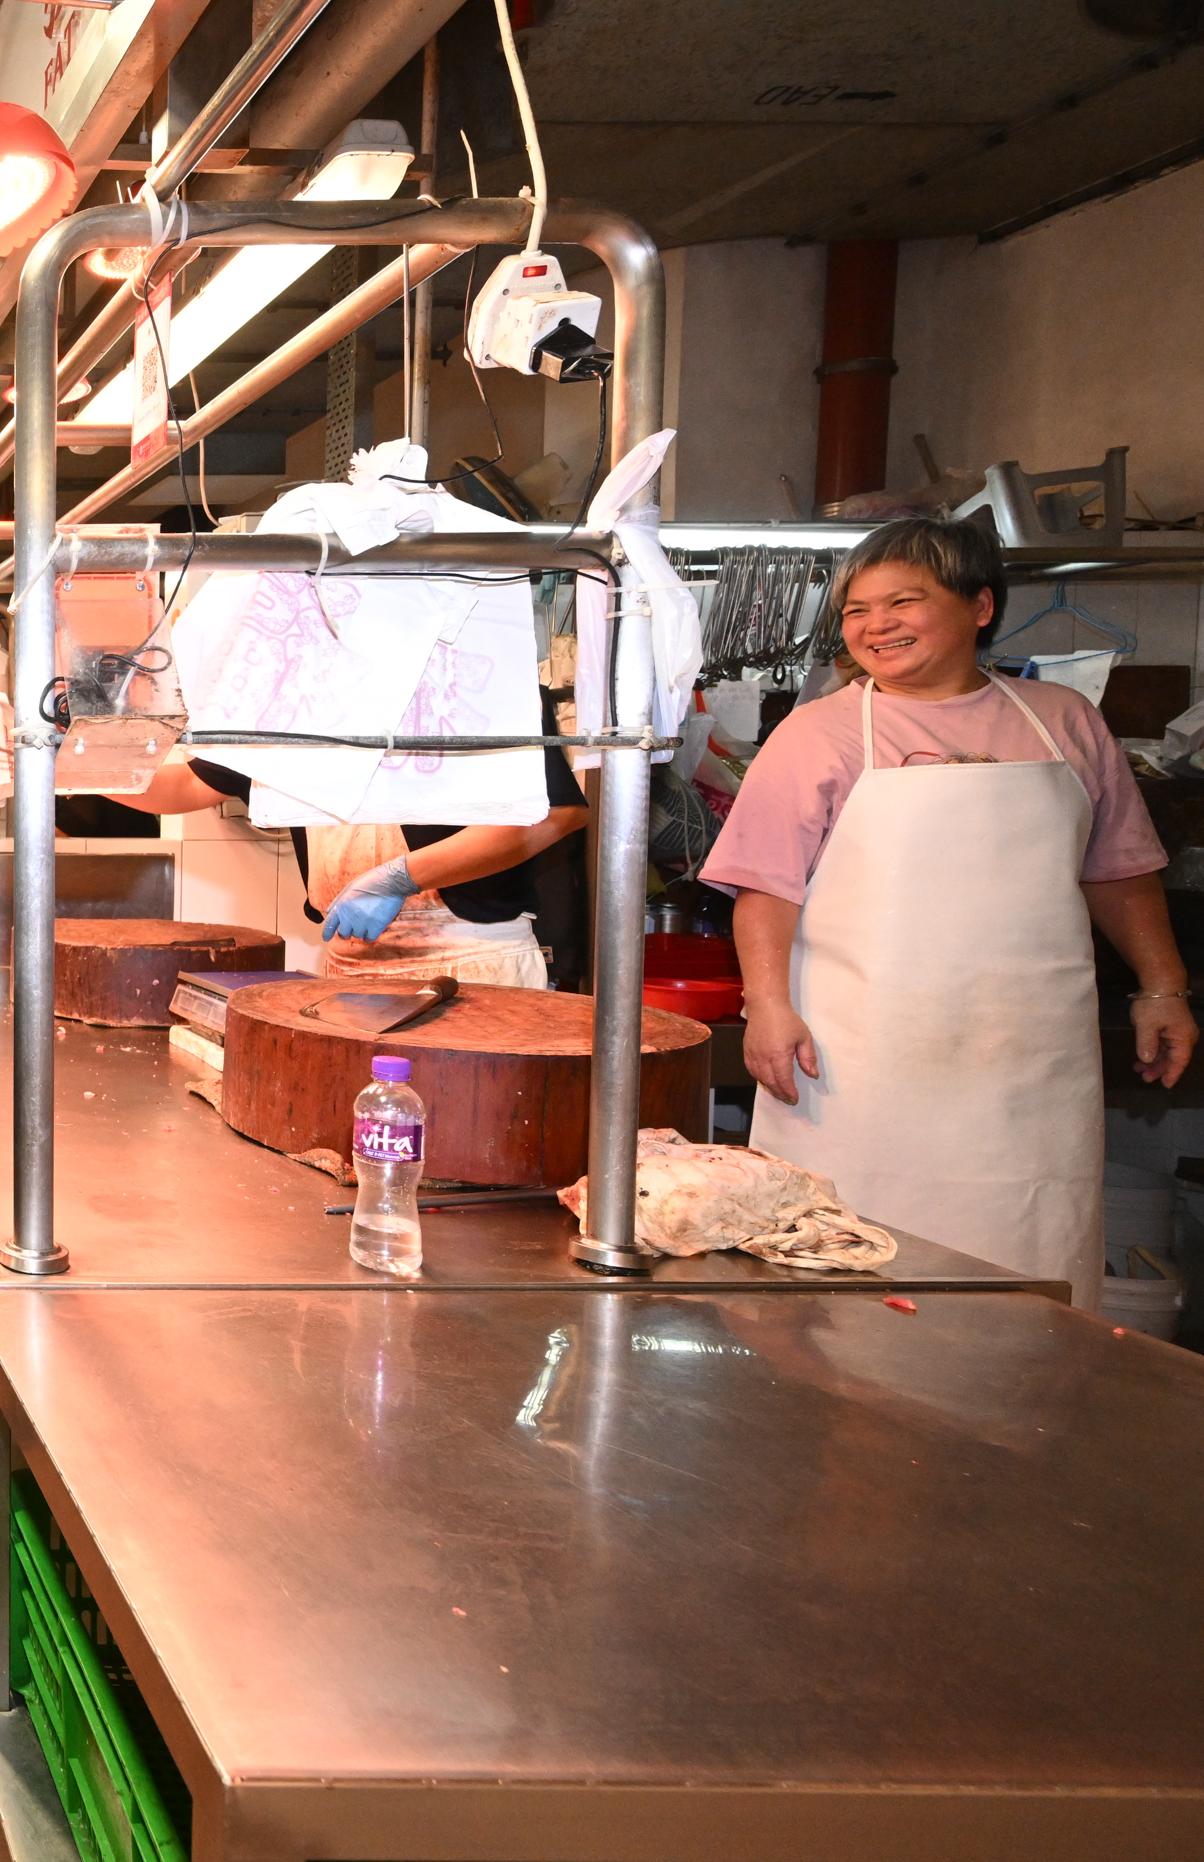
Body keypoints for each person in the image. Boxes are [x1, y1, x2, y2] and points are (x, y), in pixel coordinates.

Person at [701, 516, 1194, 1305]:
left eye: (904, 602)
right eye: (857, 611)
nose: (876, 626)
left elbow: (1119, 870)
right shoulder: (818, 733)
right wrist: (767, 1006)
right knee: (853, 1278)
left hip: (1028, 1062)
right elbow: (767, 888)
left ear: (980, 606)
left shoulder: (1064, 719)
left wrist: (1162, 988)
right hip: (861, 1062)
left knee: (1027, 1280)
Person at [111, 751, 591, 988]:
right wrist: (83, 760)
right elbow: (180, 786)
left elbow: (556, 813)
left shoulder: (462, 685)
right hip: (350, 972)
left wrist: (404, 876)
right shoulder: (285, 715)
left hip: (471, 966)